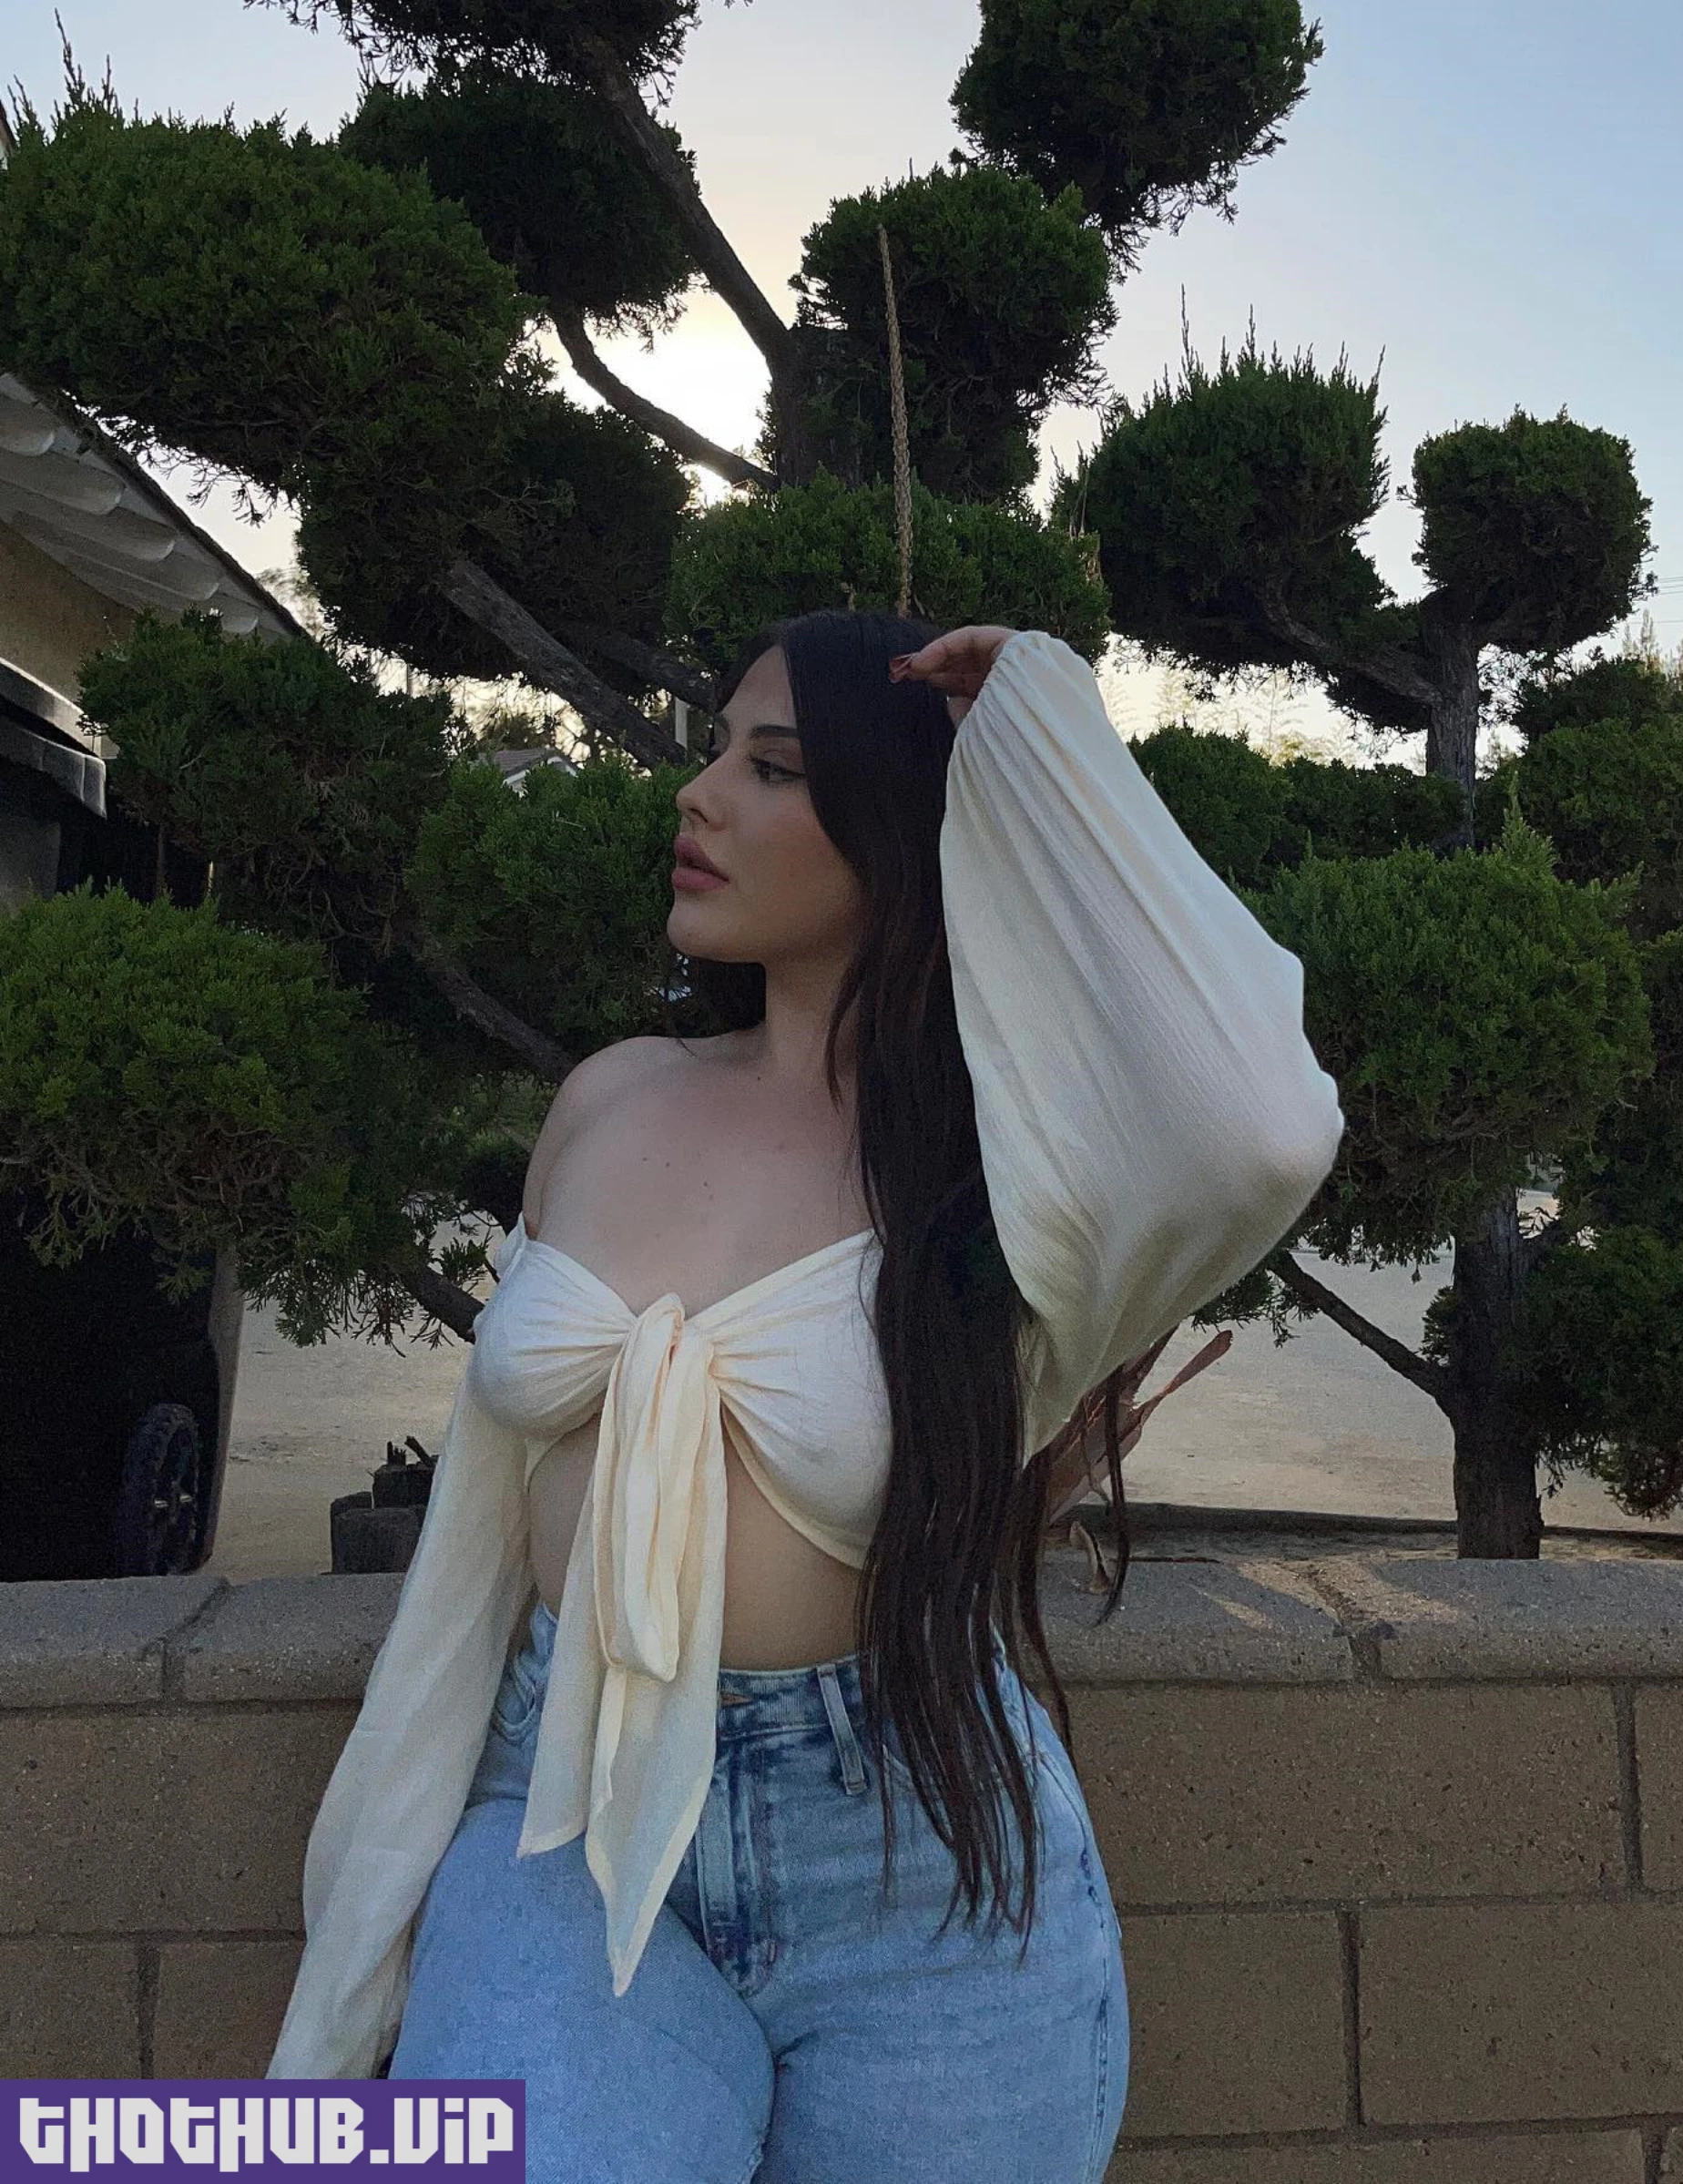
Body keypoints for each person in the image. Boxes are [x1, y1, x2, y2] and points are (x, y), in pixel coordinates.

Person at [266, 615, 1346, 2183]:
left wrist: (1046, 737)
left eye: (772, 768)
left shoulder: (1001, 1187)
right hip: (566, 1808)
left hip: (907, 1845)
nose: (699, 793)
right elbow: (489, 1516)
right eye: (715, 750)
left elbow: (1264, 1129)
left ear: (895, 829)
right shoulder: (609, 1097)